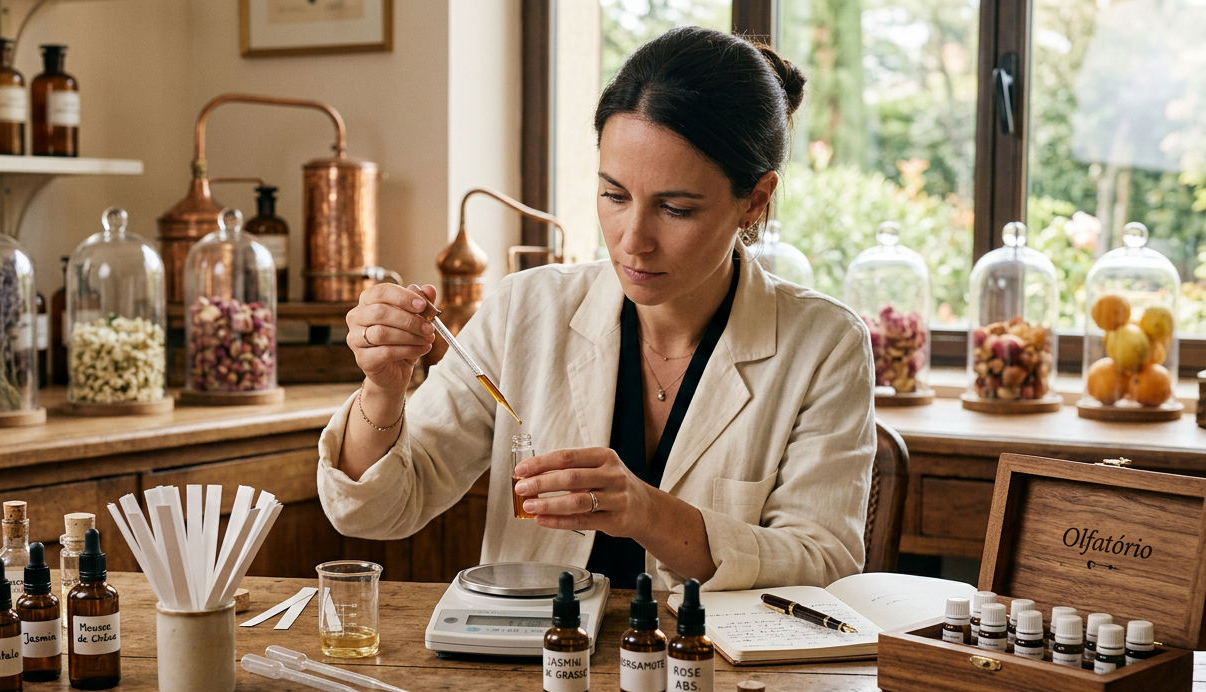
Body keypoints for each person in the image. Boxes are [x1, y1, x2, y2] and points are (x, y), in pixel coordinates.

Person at [316, 26, 875, 592]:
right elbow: (375, 512)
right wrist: (383, 389)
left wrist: (648, 512)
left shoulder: (824, 343)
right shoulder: (524, 309)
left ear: (754, 201)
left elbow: (823, 563)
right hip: (536, 663)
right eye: (614, 196)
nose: (633, 240)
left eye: (675, 208)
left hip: (712, 672)